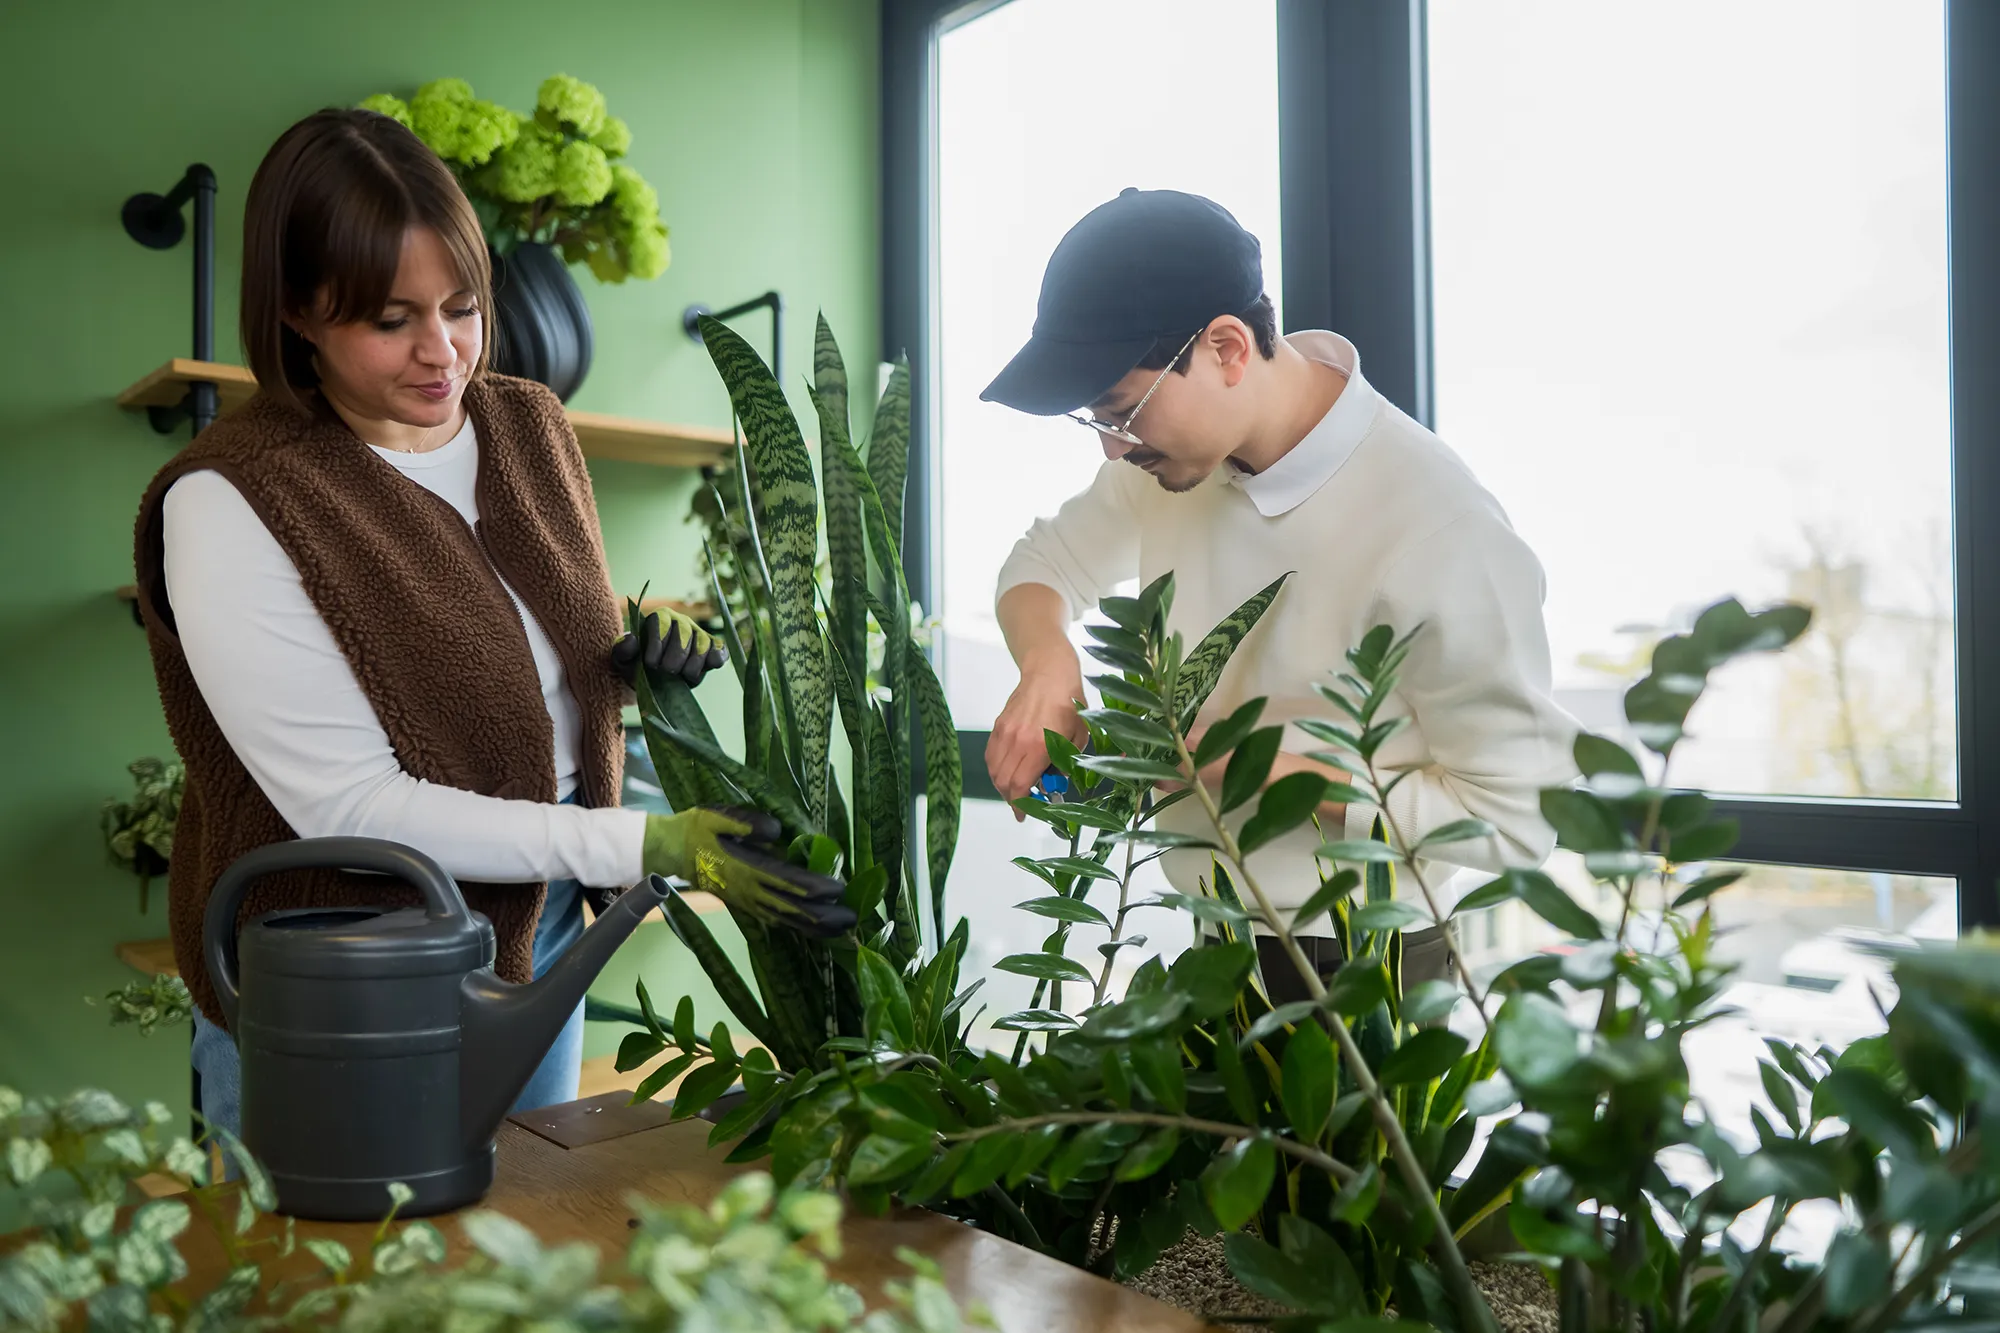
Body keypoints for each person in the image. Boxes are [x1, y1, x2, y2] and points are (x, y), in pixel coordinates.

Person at [131, 108, 848, 1142]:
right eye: (389, 320)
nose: (442, 352)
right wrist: (644, 840)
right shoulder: (232, 498)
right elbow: (353, 805)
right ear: (296, 311)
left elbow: (507, 641)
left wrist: (627, 657)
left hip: (536, 924)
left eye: (462, 307)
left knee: (513, 1265)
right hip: (344, 965)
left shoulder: (527, 424)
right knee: (332, 1295)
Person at [980, 189, 1577, 1005]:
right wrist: (1046, 663)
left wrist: (1238, 761)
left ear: (1227, 347)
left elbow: (1519, 819)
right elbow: (1042, 561)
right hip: (1206, 935)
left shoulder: (1439, 526)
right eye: (1097, 422)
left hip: (1366, 968)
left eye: (1123, 412)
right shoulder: (1166, 465)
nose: (1116, 446)